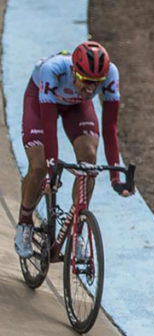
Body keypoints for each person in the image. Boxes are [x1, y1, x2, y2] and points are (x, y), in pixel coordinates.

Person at [14, 40, 131, 258]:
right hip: (40, 105)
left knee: (89, 160)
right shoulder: (53, 70)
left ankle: (77, 231)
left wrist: (116, 176)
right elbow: (49, 127)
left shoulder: (111, 73)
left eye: (97, 83)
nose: (91, 89)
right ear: (74, 71)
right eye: (86, 81)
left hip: (76, 107)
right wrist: (50, 172)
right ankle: (25, 221)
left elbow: (110, 127)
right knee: (39, 166)